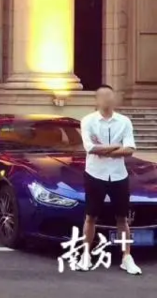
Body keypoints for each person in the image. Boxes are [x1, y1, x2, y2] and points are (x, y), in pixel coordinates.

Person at [79, 84, 141, 275]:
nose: (106, 99)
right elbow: (90, 148)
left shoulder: (124, 121)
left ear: (114, 99)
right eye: (102, 96)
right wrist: (116, 147)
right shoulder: (88, 121)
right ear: (96, 100)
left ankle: (126, 257)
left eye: (109, 96)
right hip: (94, 174)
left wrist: (105, 150)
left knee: (122, 218)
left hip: (118, 175)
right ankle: (86, 254)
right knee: (91, 216)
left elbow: (130, 149)